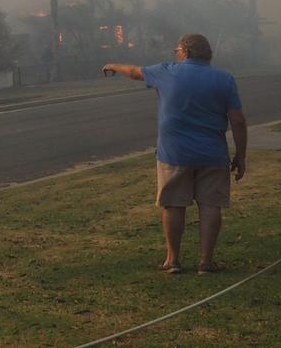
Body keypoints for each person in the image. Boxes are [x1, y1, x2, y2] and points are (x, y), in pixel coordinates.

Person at [103, 33, 247, 275]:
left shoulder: (167, 71)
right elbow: (238, 120)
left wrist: (112, 66)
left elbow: (135, 71)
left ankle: (173, 260)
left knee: (173, 205)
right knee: (211, 205)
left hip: (174, 154)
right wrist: (240, 155)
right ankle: (206, 262)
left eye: (177, 50)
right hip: (212, 154)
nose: (175, 54)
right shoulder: (224, 79)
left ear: (185, 52)